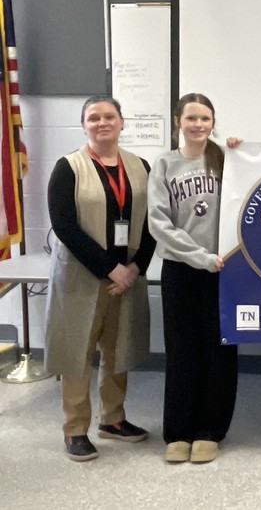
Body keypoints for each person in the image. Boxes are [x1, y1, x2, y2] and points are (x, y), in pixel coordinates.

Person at [44, 95, 156, 462]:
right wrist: (112, 269)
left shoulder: (140, 166)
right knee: (78, 351)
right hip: (82, 277)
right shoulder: (68, 168)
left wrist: (135, 268)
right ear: (84, 125)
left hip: (127, 276)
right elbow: (64, 226)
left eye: (110, 116)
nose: (102, 122)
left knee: (118, 347)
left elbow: (153, 222)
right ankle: (75, 428)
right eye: (94, 118)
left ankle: (113, 419)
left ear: (122, 122)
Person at [147, 93, 238, 464]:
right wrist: (199, 257)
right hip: (183, 269)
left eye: (205, 118)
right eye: (191, 118)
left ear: (213, 122)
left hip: (224, 269)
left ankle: (210, 430)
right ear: (177, 121)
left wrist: (216, 258)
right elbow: (158, 221)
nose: (199, 125)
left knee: (219, 350)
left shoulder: (227, 158)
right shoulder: (164, 164)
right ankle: (179, 430)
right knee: (182, 350)